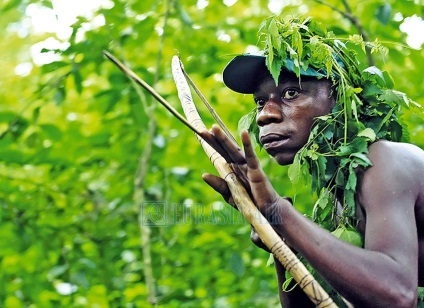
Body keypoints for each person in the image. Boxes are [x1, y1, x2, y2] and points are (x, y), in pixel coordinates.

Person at [202, 17, 424, 307]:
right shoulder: (337, 195)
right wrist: (281, 235)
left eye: (290, 93)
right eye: (260, 102)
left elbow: (397, 295)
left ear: (339, 98)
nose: (264, 116)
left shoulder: (383, 160)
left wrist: (278, 209)